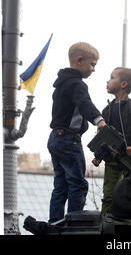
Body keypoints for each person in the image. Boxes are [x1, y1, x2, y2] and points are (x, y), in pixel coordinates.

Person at [47, 42, 106, 223]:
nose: (94, 69)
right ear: (80, 61)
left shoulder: (61, 84)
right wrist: (99, 120)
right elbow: (84, 104)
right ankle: (74, 223)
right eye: (92, 64)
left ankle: (55, 222)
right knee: (78, 184)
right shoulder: (77, 84)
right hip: (69, 140)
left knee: (61, 185)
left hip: (55, 139)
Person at [93, 67, 131, 216]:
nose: (108, 80)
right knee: (109, 195)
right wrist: (98, 155)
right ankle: (105, 224)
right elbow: (102, 136)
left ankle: (130, 224)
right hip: (111, 159)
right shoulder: (106, 110)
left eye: (111, 78)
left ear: (123, 84)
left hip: (130, 161)